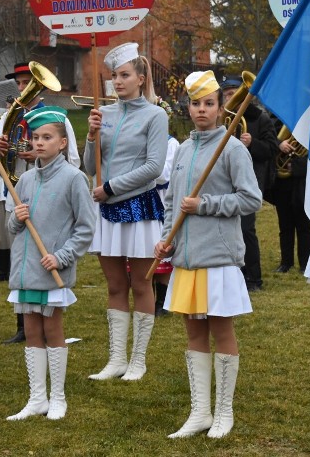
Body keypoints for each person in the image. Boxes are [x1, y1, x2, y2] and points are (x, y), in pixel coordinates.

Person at [156, 70, 261, 439]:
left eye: (209, 104)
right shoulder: (183, 149)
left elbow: (251, 199)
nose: (201, 110)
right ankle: (200, 412)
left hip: (218, 255)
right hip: (186, 257)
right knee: (193, 332)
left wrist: (206, 204)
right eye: (196, 103)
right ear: (188, 107)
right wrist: (165, 237)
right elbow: (171, 202)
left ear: (220, 108)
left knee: (222, 329)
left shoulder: (232, 148)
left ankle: (224, 413)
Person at [0, 62, 79, 345]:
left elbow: (73, 159)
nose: (22, 89)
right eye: (19, 84)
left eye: (27, 83)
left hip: (49, 197)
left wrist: (38, 156)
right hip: (17, 193)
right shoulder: (8, 116)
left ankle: (50, 321)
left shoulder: (57, 118)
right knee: (21, 257)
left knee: (44, 255)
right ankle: (23, 324)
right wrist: (1, 148)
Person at [5, 106, 95, 421]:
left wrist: (61, 256)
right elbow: (10, 228)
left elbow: (86, 228)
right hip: (26, 270)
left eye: (47, 137)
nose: (40, 143)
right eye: (36, 138)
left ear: (62, 143)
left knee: (52, 328)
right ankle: (36, 398)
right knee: (31, 329)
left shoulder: (74, 179)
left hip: (52, 269)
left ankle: (58, 398)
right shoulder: (25, 180)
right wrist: (16, 218)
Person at [84, 42, 168, 381]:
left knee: (141, 285)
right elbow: (91, 167)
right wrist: (90, 136)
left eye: (124, 75)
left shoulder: (156, 115)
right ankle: (116, 358)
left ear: (140, 77)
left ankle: (138, 360)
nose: (117, 82)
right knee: (115, 286)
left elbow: (153, 166)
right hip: (106, 210)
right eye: (113, 77)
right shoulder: (104, 115)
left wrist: (113, 189)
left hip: (139, 208)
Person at [219, 74, 278, 292]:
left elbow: (272, 149)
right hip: (226, 179)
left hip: (251, 179)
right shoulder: (222, 118)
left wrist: (253, 143)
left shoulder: (259, 118)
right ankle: (235, 274)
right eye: (226, 95)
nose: (229, 98)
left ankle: (254, 278)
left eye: (233, 94)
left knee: (246, 229)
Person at [268, 120, 310, 274]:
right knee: (285, 225)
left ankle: (305, 263)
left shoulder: (309, 124)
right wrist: (279, 144)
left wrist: (296, 167)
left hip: (301, 181)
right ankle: (286, 262)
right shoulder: (273, 121)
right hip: (281, 183)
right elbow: (267, 141)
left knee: (303, 225)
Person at [152, 130, 179, 317]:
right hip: (140, 199)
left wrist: (146, 167)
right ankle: (147, 296)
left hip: (161, 200)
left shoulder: (171, 143)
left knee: (162, 247)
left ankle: (162, 301)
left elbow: (164, 174)